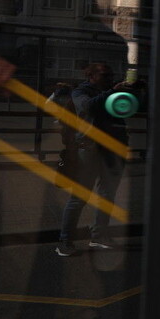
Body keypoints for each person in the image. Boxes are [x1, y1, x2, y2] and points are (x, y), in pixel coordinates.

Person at [56, 62, 134, 257]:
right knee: (79, 198)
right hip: (89, 149)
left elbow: (130, 109)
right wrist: (112, 91)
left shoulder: (110, 92)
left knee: (107, 196)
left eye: (111, 75)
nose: (110, 79)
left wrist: (135, 92)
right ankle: (64, 241)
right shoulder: (80, 92)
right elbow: (88, 107)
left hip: (113, 149)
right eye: (105, 75)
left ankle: (99, 237)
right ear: (91, 76)